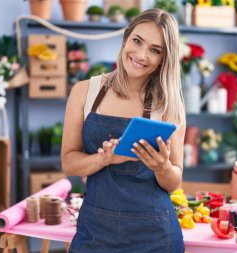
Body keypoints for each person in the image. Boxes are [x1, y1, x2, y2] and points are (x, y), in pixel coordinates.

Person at [61, 8, 186, 253]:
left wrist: (162, 167)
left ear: (164, 58)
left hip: (156, 237)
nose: (141, 55)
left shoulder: (168, 104)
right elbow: (69, 163)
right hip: (96, 232)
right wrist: (104, 158)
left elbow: (174, 182)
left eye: (155, 50)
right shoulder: (86, 92)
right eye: (137, 41)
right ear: (125, 38)